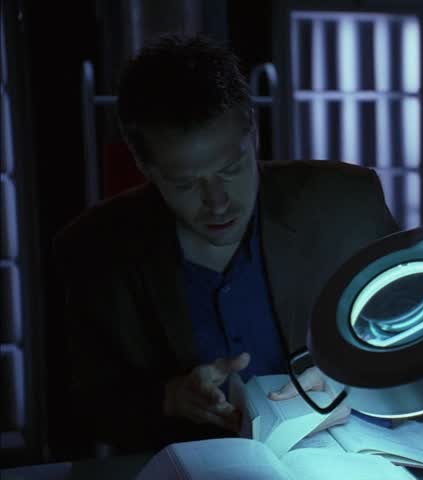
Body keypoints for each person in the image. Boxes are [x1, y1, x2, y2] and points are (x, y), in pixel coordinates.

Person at [53, 34, 399, 454]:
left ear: (253, 132)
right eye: (185, 184)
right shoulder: (94, 251)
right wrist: (169, 398)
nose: (217, 203)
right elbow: (82, 410)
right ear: (144, 166)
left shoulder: (347, 205)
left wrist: (353, 381)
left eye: (232, 169)